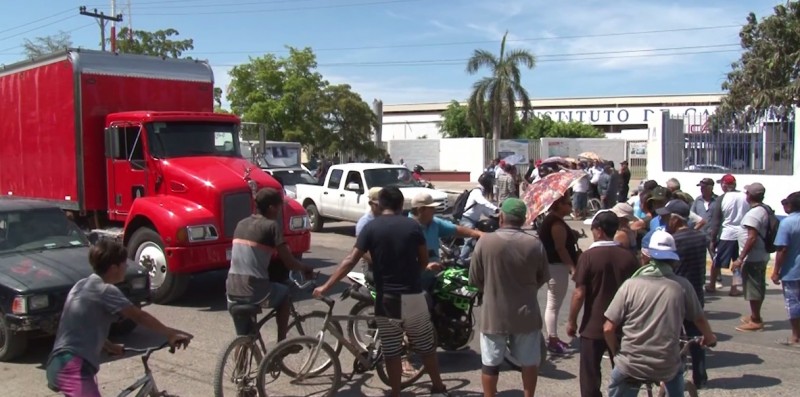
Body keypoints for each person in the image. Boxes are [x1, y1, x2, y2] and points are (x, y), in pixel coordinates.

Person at [313, 187, 449, 397]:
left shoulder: (371, 228)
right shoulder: (412, 226)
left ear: (381, 204)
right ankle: (438, 388)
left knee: (392, 351)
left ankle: (395, 393)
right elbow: (423, 262)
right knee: (425, 346)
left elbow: (350, 260)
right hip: (413, 295)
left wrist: (326, 286)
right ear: (400, 205)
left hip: (387, 299)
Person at [46, 240, 193, 396]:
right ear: (113, 268)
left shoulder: (81, 285)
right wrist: (170, 333)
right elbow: (139, 316)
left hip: (64, 362)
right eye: (124, 264)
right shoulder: (105, 290)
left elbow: (82, 326)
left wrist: (109, 346)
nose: (127, 267)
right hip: (72, 366)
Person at [603, 230, 717, 397]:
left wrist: (616, 354)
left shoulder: (630, 285)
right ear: (673, 259)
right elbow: (699, 319)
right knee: (676, 374)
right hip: (666, 364)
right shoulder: (682, 286)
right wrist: (709, 337)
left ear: (647, 257)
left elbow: (608, 328)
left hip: (630, 363)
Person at [469, 198, 549, 397]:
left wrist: (491, 289)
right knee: (530, 361)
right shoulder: (535, 244)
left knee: (490, 362)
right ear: (523, 219)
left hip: (493, 313)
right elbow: (542, 277)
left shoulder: (485, 241)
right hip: (526, 313)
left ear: (502, 217)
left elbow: (475, 279)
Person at [225, 188, 315, 341]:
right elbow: (289, 262)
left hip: (231, 288)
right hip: (254, 288)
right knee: (284, 294)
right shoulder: (271, 226)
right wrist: (305, 268)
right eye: (280, 207)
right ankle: (282, 344)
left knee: (243, 338)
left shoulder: (241, 224)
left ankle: (241, 359)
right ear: (272, 208)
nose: (280, 211)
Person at [566, 211, 638, 397]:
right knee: (623, 371)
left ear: (598, 231)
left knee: (590, 375)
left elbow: (579, 293)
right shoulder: (629, 257)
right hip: (623, 325)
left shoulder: (588, 257)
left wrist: (572, 321)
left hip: (593, 325)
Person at [659, 199, 710, 388]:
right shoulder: (700, 237)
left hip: (676, 295)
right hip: (696, 293)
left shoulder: (674, 241)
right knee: (696, 337)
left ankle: (675, 376)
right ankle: (700, 377)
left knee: (675, 338)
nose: (664, 222)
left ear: (675, 220)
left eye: (666, 218)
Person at [410, 192, 483, 289]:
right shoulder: (407, 227)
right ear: (420, 210)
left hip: (433, 278)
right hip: (414, 283)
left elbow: (456, 229)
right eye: (431, 208)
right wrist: (425, 266)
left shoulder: (434, 222)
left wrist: (479, 234)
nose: (434, 210)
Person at [537, 193, 579, 355]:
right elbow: (560, 248)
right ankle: (552, 339)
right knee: (554, 304)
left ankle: (552, 338)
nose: (570, 206)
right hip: (556, 267)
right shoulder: (556, 223)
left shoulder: (554, 221)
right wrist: (572, 267)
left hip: (551, 265)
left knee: (553, 303)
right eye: (568, 203)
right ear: (559, 205)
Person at [707, 174, 750, 295]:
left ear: (725, 185)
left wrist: (712, 239)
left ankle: (711, 284)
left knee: (717, 261)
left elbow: (716, 221)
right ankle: (734, 288)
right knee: (737, 262)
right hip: (742, 234)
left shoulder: (722, 198)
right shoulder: (745, 197)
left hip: (727, 234)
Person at [773, 191, 800, 346]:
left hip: (792, 270)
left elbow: (782, 249)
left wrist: (776, 271)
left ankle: (796, 336)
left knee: (793, 303)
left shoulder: (787, 223)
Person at [459, 178, 500, 262]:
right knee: (469, 241)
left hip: (473, 220)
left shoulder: (481, 192)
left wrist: (492, 216)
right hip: (467, 219)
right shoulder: (476, 192)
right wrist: (496, 209)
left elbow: (482, 208)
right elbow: (483, 202)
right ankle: (461, 260)